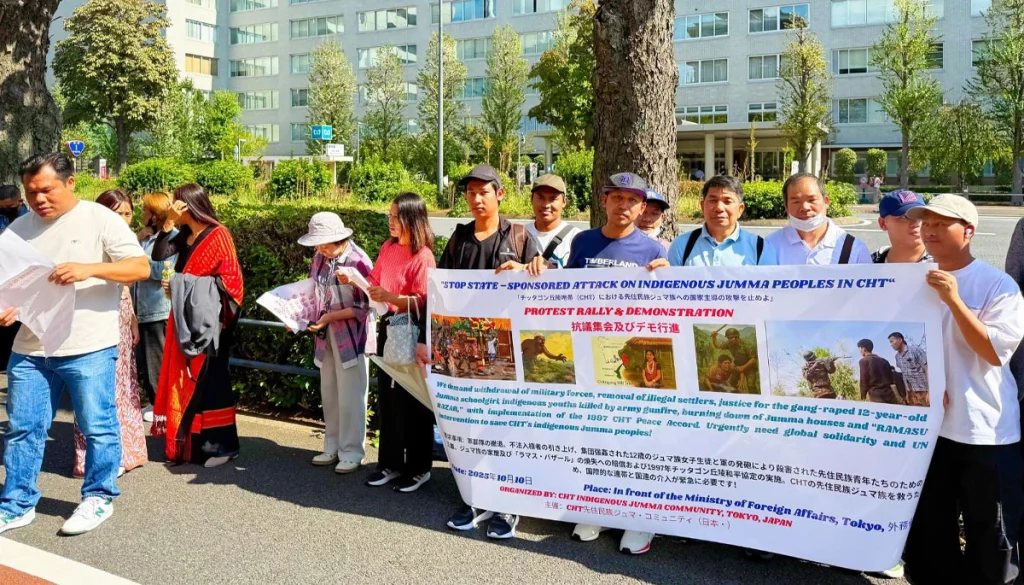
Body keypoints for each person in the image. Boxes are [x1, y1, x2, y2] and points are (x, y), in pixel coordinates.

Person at [0, 153, 148, 536]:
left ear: (70, 184)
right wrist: (7, 309)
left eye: (46, 190)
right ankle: (17, 504)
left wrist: (89, 269)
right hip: (31, 348)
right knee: (23, 428)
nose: (38, 200)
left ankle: (98, 497)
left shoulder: (101, 220)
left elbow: (140, 268)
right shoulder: (17, 228)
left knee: (97, 425)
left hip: (89, 343)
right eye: (32, 193)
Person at [903, 195, 1024, 585]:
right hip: (930, 430)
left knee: (990, 537)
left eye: (943, 224)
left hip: (984, 430)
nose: (931, 231)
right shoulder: (911, 279)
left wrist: (954, 299)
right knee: (930, 535)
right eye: (927, 223)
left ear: (968, 231)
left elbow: (992, 351)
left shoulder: (998, 285)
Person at [440, 164, 543, 540]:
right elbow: (441, 292)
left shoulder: (519, 236)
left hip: (507, 354)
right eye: (470, 193)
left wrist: (534, 266)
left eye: (484, 192)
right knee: (470, 426)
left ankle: (508, 504)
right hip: (466, 353)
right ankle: (475, 497)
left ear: (500, 194)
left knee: (507, 427)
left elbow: (545, 278)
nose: (476, 198)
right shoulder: (458, 238)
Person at [567, 172, 666, 554]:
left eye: (632, 200)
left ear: (642, 208)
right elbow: (560, 294)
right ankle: (598, 506)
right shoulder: (583, 242)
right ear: (604, 200)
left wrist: (670, 278)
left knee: (637, 439)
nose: (623, 206)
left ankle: (641, 520)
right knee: (597, 436)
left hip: (634, 361)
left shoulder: (653, 250)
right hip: (590, 359)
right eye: (617, 197)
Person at [152, 184, 244, 468]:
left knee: (213, 384)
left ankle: (223, 447)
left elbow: (232, 283)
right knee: (189, 382)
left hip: (212, 323)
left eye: (175, 205)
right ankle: (193, 448)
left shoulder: (219, 235)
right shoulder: (184, 236)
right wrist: (167, 222)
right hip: (187, 320)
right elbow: (158, 254)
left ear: (188, 206)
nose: (172, 209)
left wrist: (182, 285)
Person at [351, 193, 436, 493]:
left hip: (412, 332)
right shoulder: (388, 247)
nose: (390, 220)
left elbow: (425, 300)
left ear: (412, 219)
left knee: (413, 400)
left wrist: (391, 298)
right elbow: (376, 278)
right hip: (388, 328)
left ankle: (419, 467)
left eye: (396, 216)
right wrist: (357, 280)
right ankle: (389, 463)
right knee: (388, 401)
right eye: (389, 215)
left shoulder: (423, 255)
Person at [72, 190, 148, 478]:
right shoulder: (86, 241)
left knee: (124, 384)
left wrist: (132, 318)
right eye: (117, 213)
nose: (123, 219)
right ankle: (98, 458)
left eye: (128, 213)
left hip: (121, 314)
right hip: (92, 316)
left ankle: (128, 451)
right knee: (95, 387)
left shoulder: (126, 242)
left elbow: (126, 283)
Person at [299, 212, 374, 474]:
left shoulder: (358, 260)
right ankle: (331, 446)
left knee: (352, 396)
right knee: (329, 391)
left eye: (325, 244)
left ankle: (352, 451)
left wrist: (330, 316)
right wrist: (298, 316)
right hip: (326, 333)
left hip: (352, 337)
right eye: (317, 245)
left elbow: (366, 306)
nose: (320, 249)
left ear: (340, 238)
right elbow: (313, 291)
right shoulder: (320, 257)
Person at [134, 192, 178, 423]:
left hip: (158, 308)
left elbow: (163, 269)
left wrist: (138, 264)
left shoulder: (171, 237)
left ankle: (162, 408)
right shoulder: (147, 237)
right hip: (141, 309)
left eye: (145, 210)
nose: (142, 214)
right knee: (145, 362)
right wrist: (138, 238)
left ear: (155, 215)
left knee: (156, 363)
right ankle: (154, 403)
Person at [669, 175, 778, 267]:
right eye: (713, 200)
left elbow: (770, 290)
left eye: (727, 201)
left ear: (740, 209)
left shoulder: (760, 248)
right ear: (703, 206)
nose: (719, 208)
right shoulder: (682, 245)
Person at [765, 173, 871, 265]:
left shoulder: (854, 248)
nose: (805, 207)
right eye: (796, 201)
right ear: (786, 207)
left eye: (812, 200)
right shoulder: (770, 246)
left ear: (826, 202)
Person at [0, 184, 28, 372]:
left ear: (20, 202)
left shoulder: (31, 221)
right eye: (1, 206)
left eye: (9, 206)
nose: (5, 210)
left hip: (27, 286)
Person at [525, 174, 580, 269]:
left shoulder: (577, 238)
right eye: (540, 198)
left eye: (553, 199)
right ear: (531, 199)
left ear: (564, 202)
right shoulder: (518, 236)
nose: (546, 205)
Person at [873, 189, 931, 264]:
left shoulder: (944, 264)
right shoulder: (868, 264)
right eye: (904, 217)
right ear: (883, 223)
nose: (916, 223)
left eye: (920, 216)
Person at [889, 332, 928, 406]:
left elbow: (927, 369)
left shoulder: (915, 350)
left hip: (923, 390)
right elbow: (904, 375)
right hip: (911, 393)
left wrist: (931, 391)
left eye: (892, 341)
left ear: (900, 340)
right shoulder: (897, 357)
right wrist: (907, 393)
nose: (891, 344)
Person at [856, 339, 899, 405]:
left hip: (876, 395)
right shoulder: (884, 360)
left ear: (864, 349)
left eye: (860, 349)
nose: (860, 351)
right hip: (889, 394)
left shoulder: (863, 361)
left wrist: (863, 395)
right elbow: (891, 379)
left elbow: (863, 379)